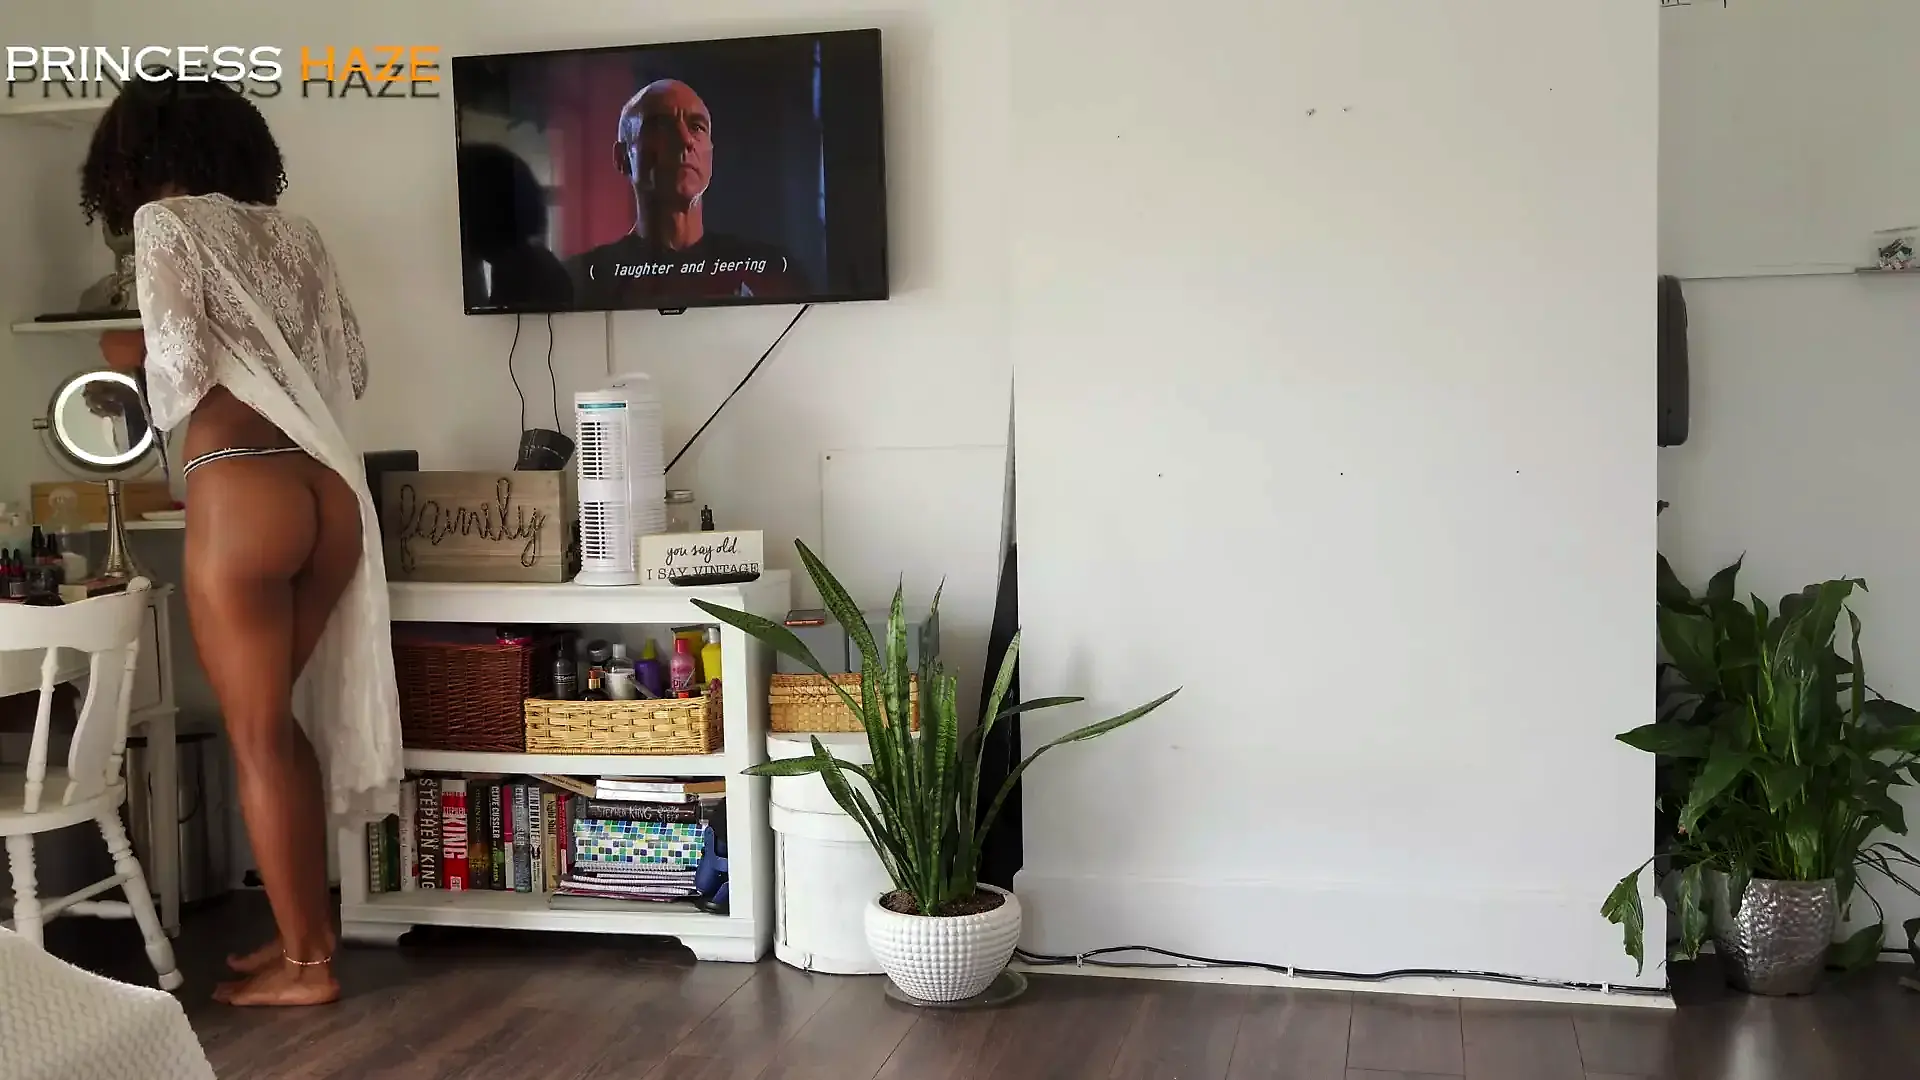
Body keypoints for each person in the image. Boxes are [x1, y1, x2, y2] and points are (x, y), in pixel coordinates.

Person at [79, 75, 402, 1007]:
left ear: (135, 157)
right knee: (277, 727)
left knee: (254, 736)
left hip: (243, 484)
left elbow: (180, 376)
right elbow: (352, 366)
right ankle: (308, 938)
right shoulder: (297, 234)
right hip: (328, 489)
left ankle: (307, 969)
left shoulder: (166, 224)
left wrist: (130, 359)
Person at [567, 78, 810, 306]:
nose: (685, 140)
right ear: (622, 158)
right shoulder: (585, 281)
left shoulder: (771, 273)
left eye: (696, 127)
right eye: (661, 125)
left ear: (711, 155)